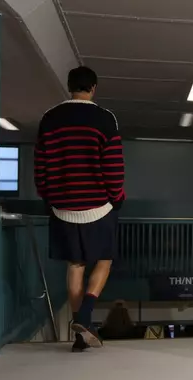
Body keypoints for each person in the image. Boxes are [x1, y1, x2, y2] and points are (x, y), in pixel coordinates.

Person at [34, 66, 125, 352]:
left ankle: (79, 336)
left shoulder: (49, 119)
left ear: (69, 86)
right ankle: (85, 316)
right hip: (98, 207)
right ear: (93, 88)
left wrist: (49, 198)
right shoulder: (105, 119)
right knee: (105, 259)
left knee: (75, 266)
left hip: (62, 208)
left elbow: (40, 166)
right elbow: (113, 166)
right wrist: (117, 198)